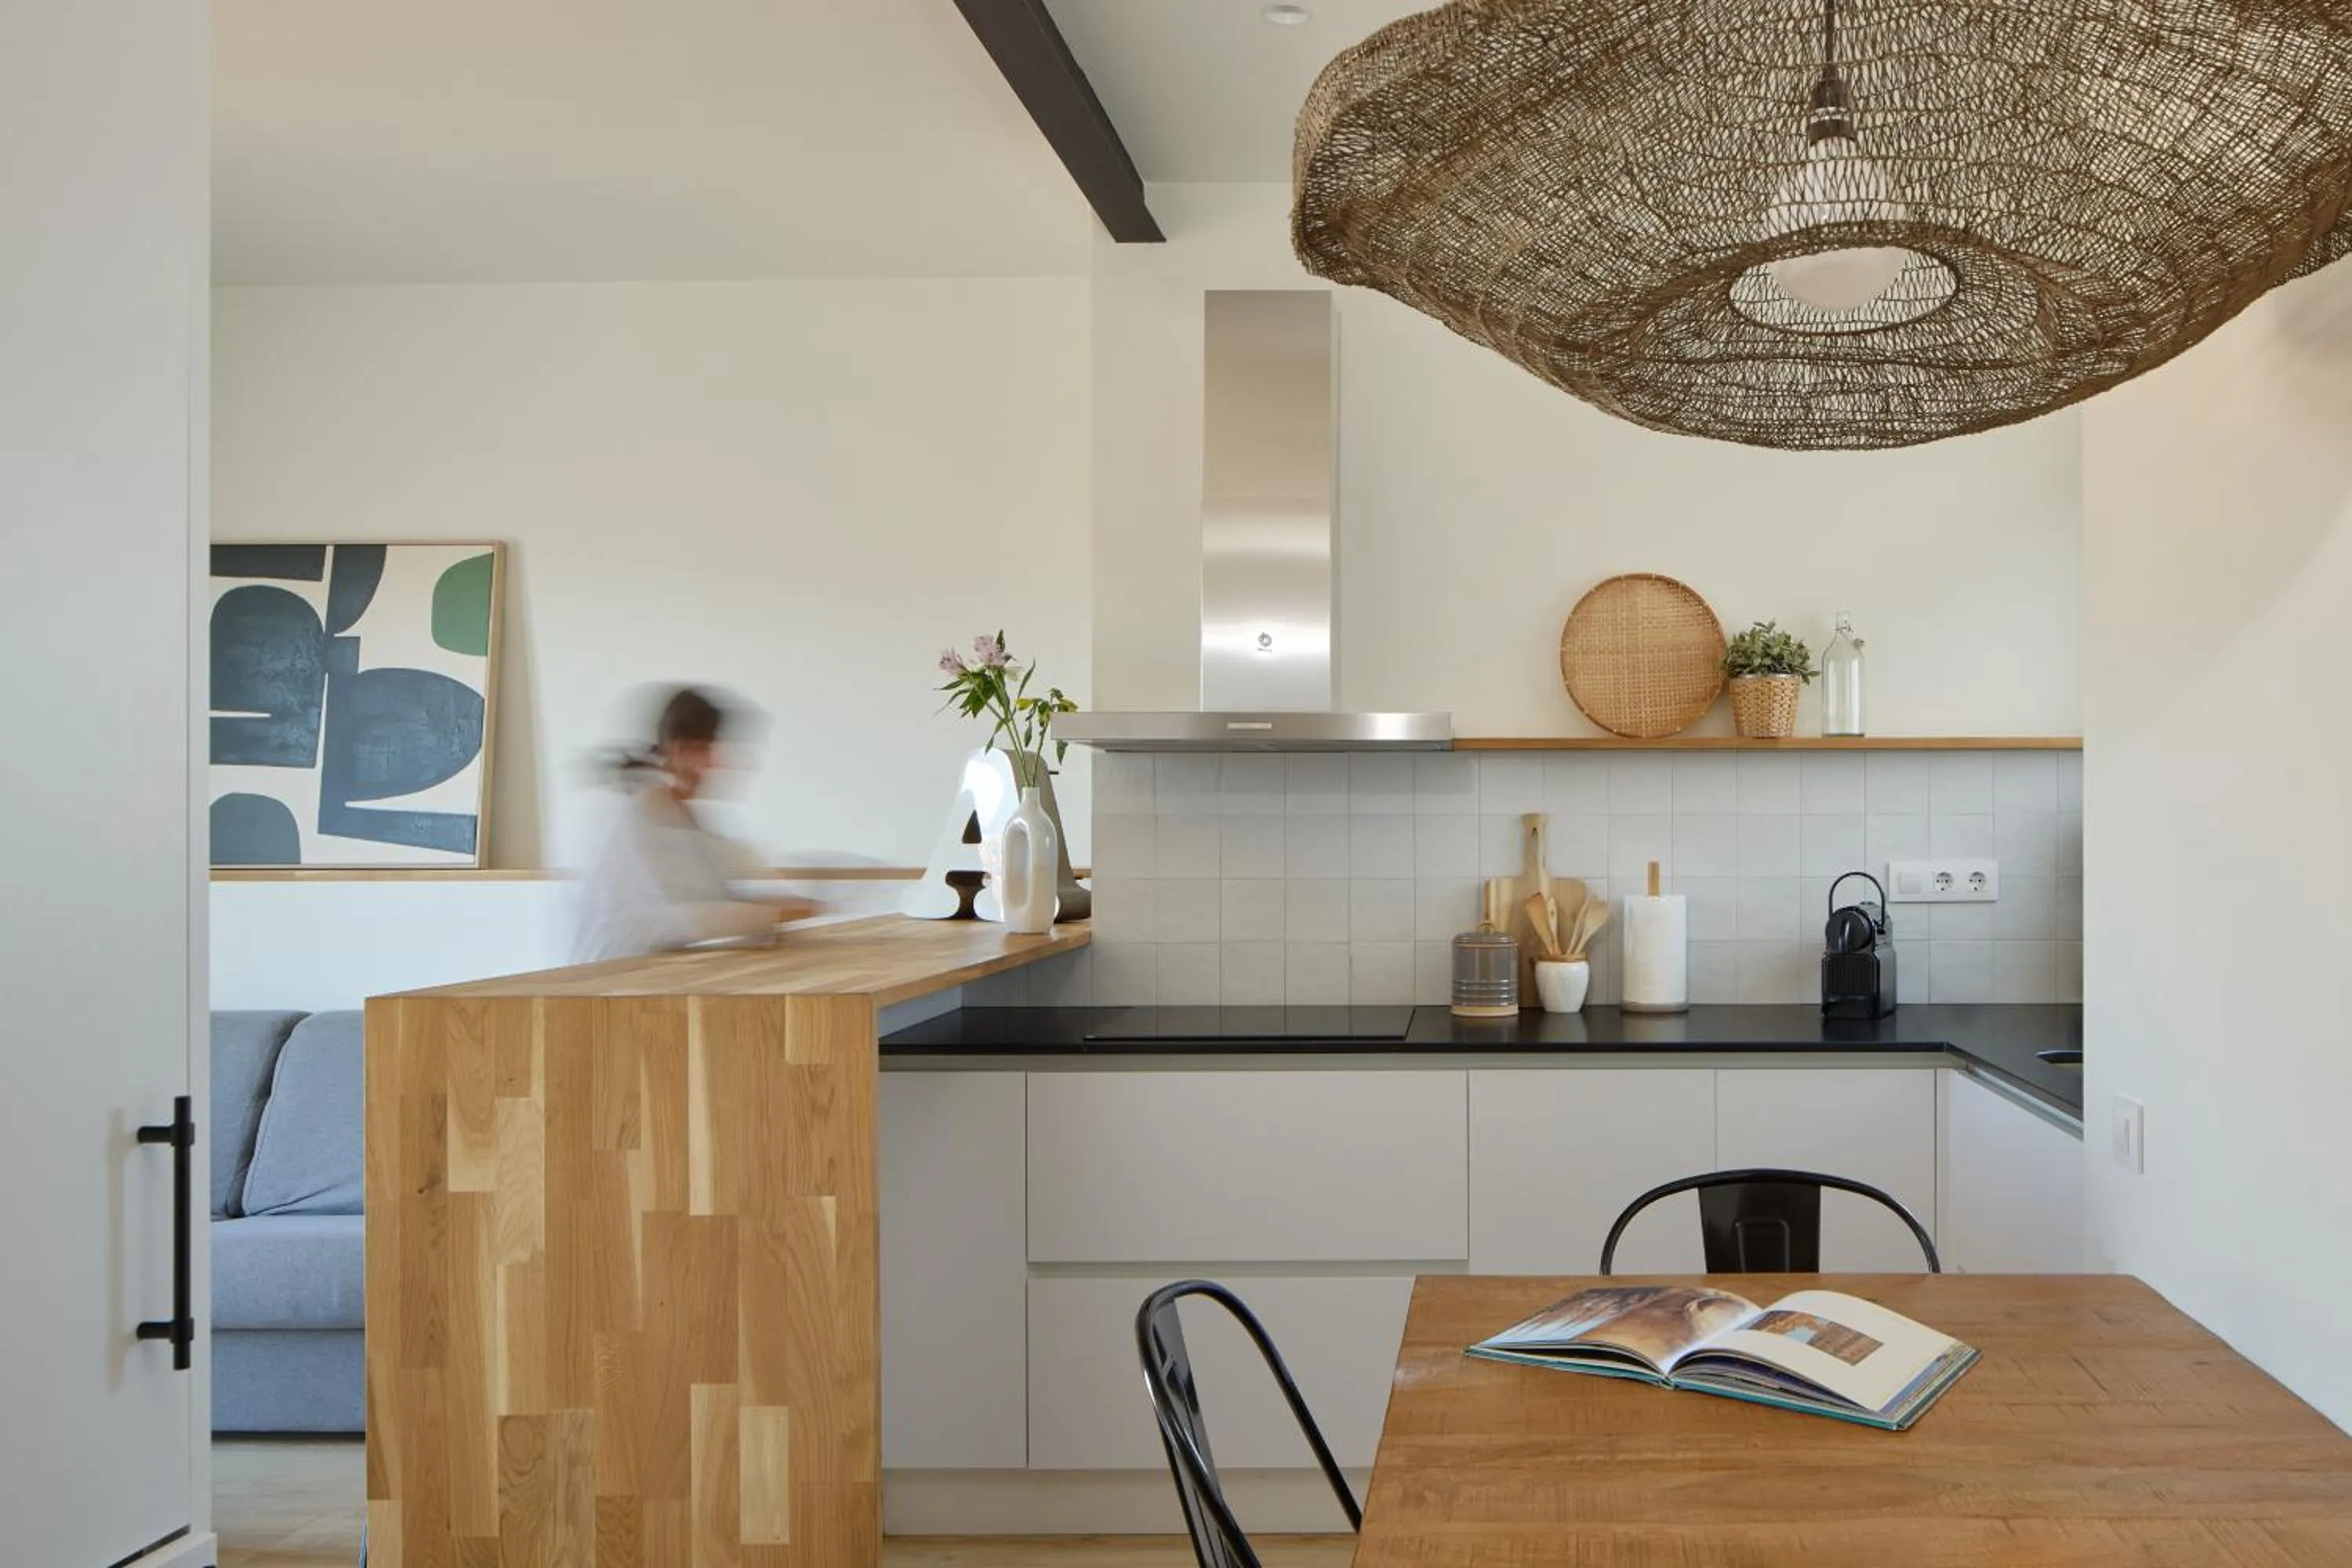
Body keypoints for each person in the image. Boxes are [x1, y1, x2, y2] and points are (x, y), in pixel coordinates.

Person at [572, 687, 818, 962]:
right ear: (680, 749)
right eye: (709, 750)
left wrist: (784, 904)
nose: (719, 764)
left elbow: (732, 866)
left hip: (652, 978)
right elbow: (676, 921)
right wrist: (776, 913)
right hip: (612, 986)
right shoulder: (639, 815)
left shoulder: (681, 816)